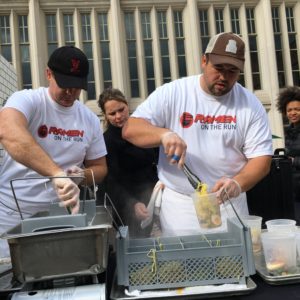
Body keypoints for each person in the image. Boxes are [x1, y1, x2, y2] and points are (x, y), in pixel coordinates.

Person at [122, 32, 273, 236]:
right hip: (181, 204)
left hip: (229, 203)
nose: (223, 77)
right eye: (218, 68)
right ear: (204, 60)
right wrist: (164, 135)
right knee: (182, 262)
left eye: (232, 71)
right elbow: (130, 129)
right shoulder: (174, 92)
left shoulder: (250, 105)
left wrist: (238, 183)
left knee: (232, 263)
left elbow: (261, 160)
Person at [0, 46, 107, 257]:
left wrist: (79, 176)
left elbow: (100, 168)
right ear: (48, 74)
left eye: (76, 87)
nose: (70, 93)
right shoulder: (28, 100)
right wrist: (57, 174)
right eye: (65, 85)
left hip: (63, 213)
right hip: (11, 212)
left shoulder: (89, 120)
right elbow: (8, 132)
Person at [98, 87, 159, 238]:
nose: (118, 116)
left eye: (121, 110)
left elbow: (157, 162)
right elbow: (110, 182)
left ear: (128, 106)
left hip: (151, 199)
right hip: (122, 205)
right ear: (105, 116)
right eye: (112, 113)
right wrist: (132, 203)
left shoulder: (144, 130)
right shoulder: (106, 141)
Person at [276, 86, 300, 221]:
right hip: (294, 188)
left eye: (297, 109)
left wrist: (293, 161)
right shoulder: (289, 132)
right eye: (289, 110)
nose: (293, 113)